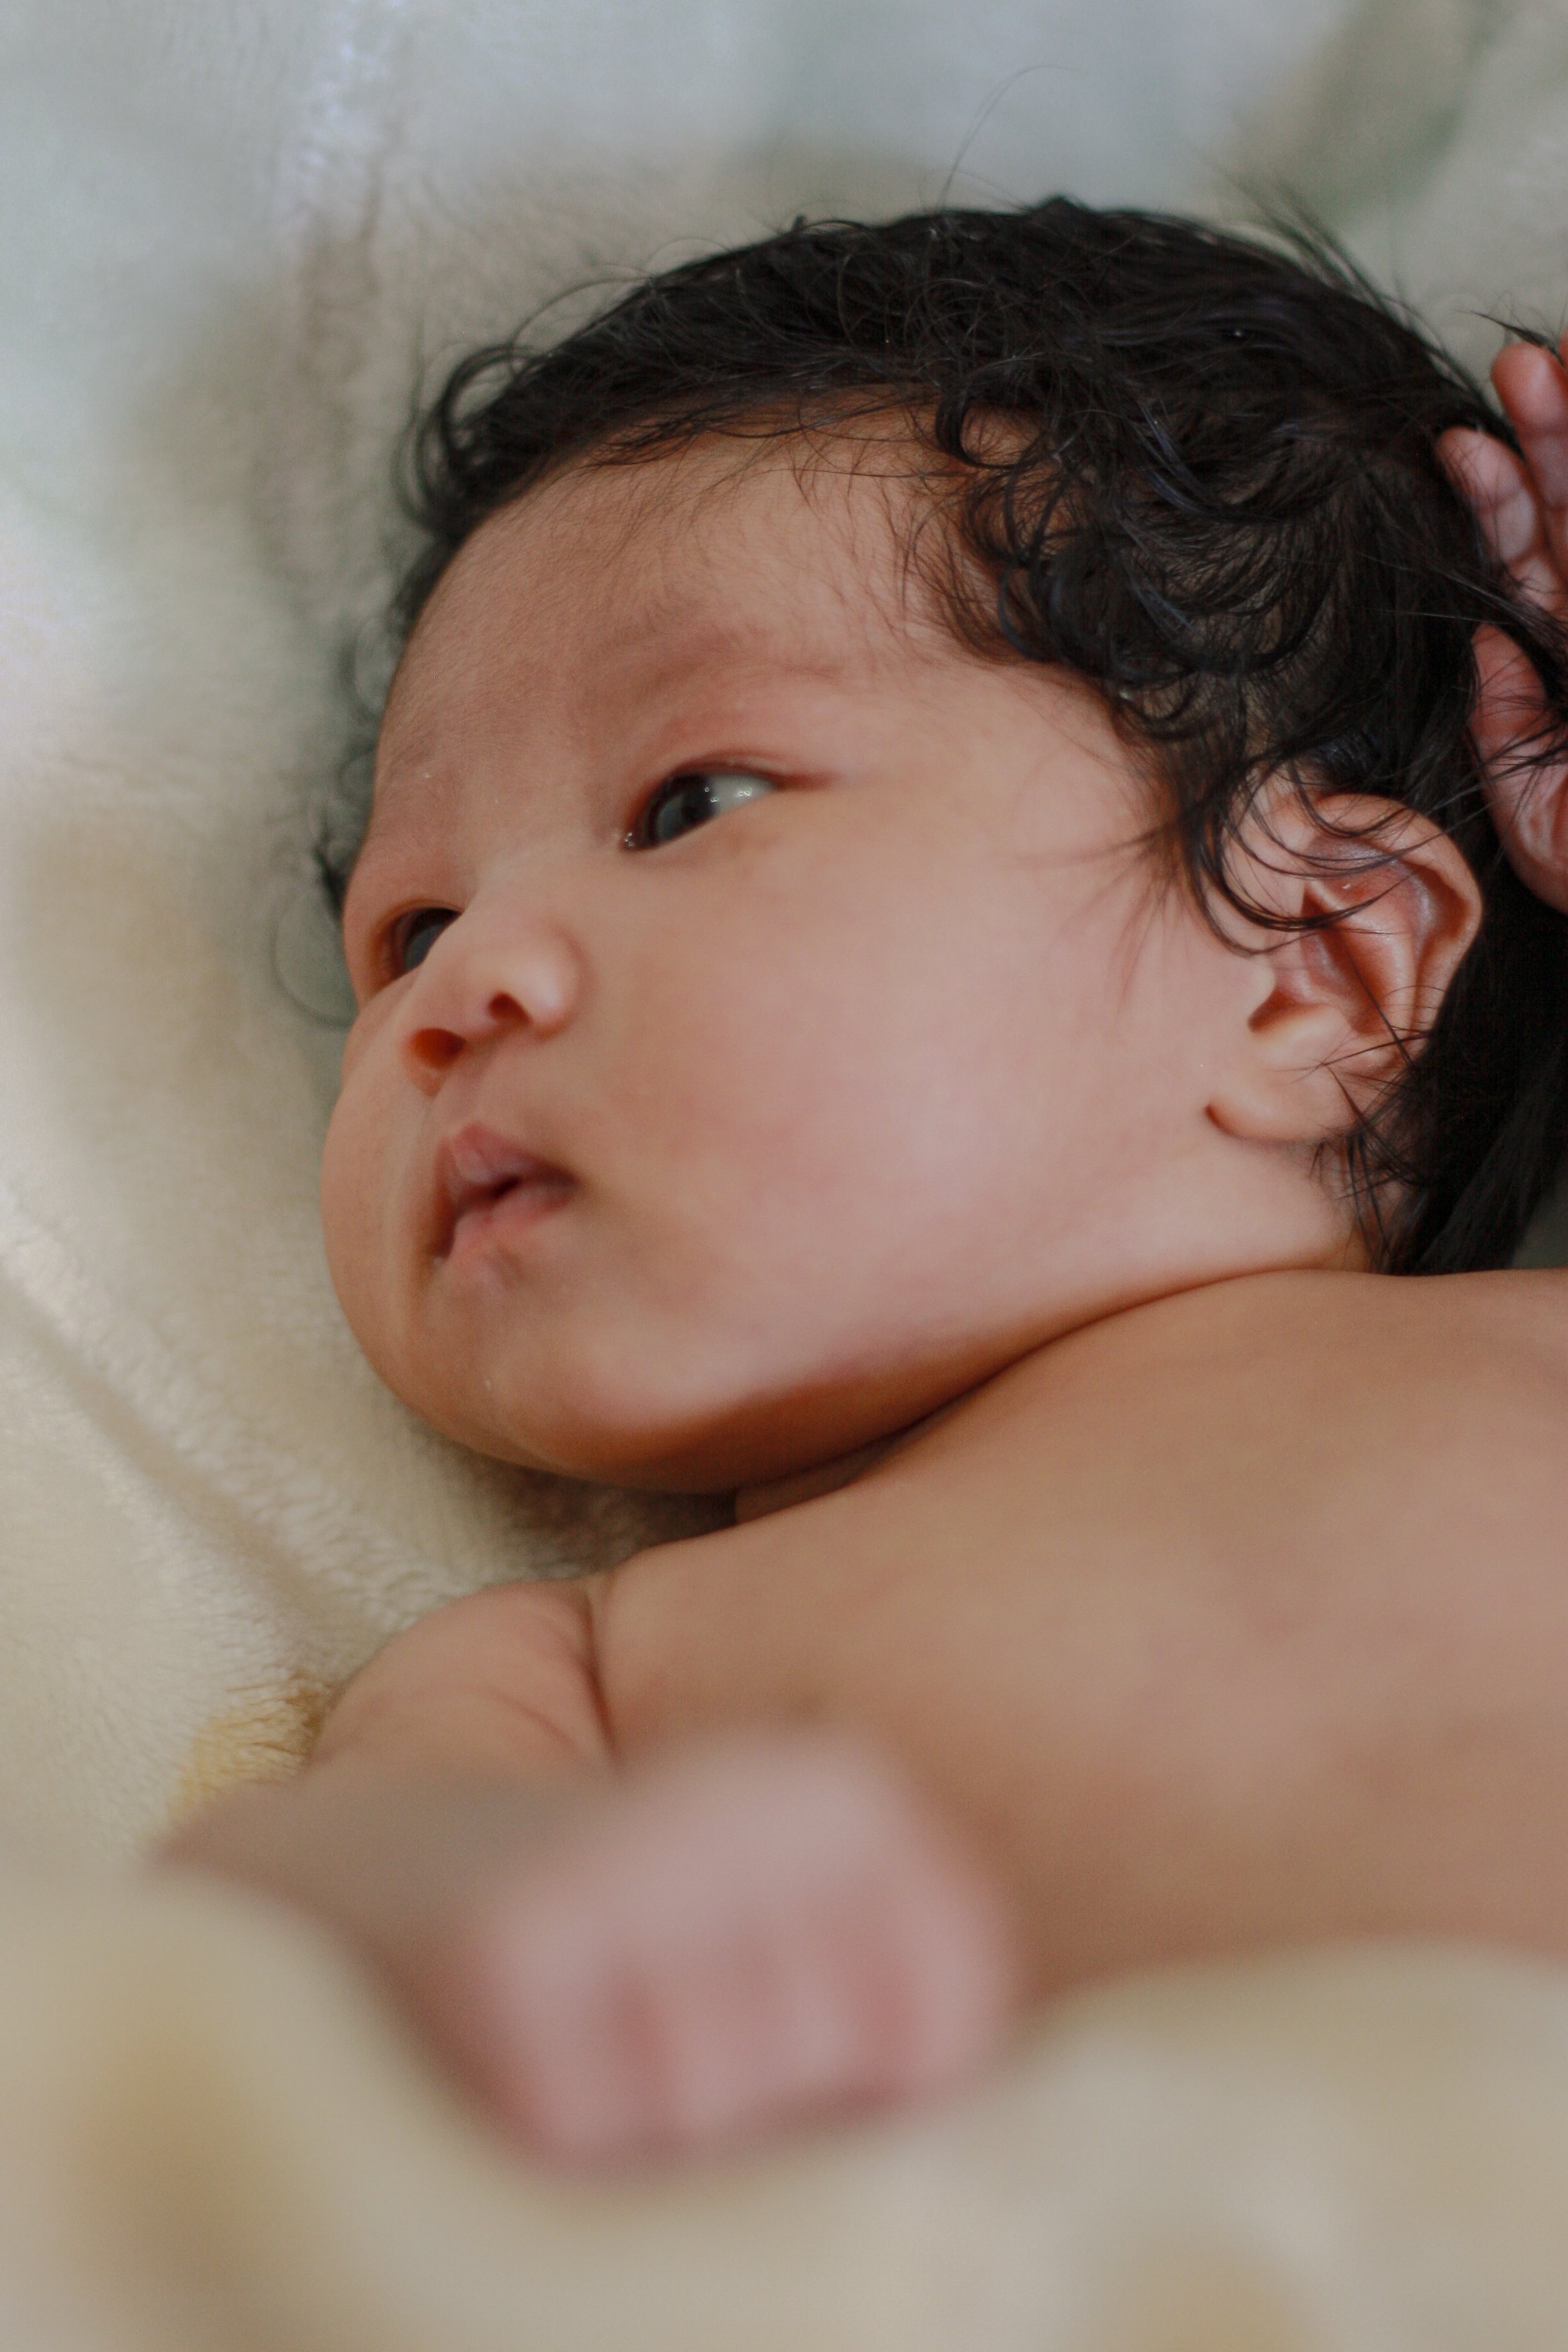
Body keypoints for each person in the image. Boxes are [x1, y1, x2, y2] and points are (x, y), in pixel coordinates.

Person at [164, 202, 1568, 2169]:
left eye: (692, 805)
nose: (462, 988)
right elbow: (261, 1924)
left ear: (1319, 958)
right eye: (404, 928)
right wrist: (492, 1908)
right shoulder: (573, 1672)